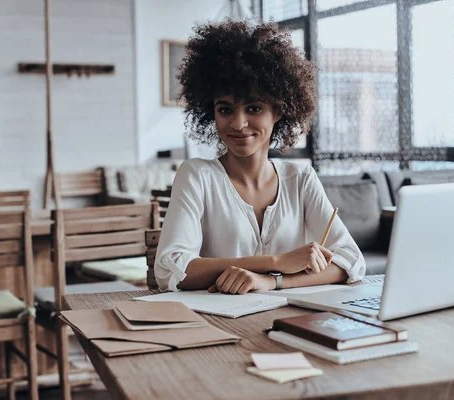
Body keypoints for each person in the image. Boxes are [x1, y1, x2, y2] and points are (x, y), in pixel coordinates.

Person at [154, 20, 366, 294]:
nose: (238, 124)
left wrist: (271, 281)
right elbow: (171, 270)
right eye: (225, 109)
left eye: (254, 108)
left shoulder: (300, 178)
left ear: (279, 111)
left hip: (290, 322)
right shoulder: (197, 175)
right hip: (219, 325)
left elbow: (351, 260)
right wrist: (276, 262)